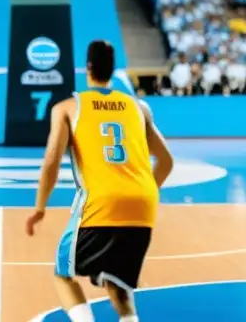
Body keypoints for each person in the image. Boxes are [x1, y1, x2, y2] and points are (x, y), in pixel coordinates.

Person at [26, 40, 175, 322]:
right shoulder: (138, 107)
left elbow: (50, 164)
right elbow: (166, 162)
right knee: (116, 282)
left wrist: (39, 209)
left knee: (63, 273)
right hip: (142, 206)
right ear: (113, 70)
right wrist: (142, 194)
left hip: (100, 203)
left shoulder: (68, 108)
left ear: (88, 69)